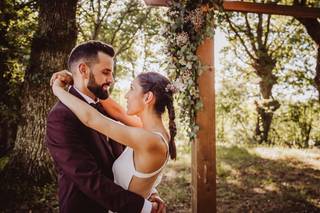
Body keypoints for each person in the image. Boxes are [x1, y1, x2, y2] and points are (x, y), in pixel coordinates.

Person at [45, 41, 168, 213]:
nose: (111, 79)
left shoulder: (105, 110)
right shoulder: (61, 117)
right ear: (83, 70)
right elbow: (89, 179)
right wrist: (144, 207)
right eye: (105, 72)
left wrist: (147, 190)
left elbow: (126, 161)